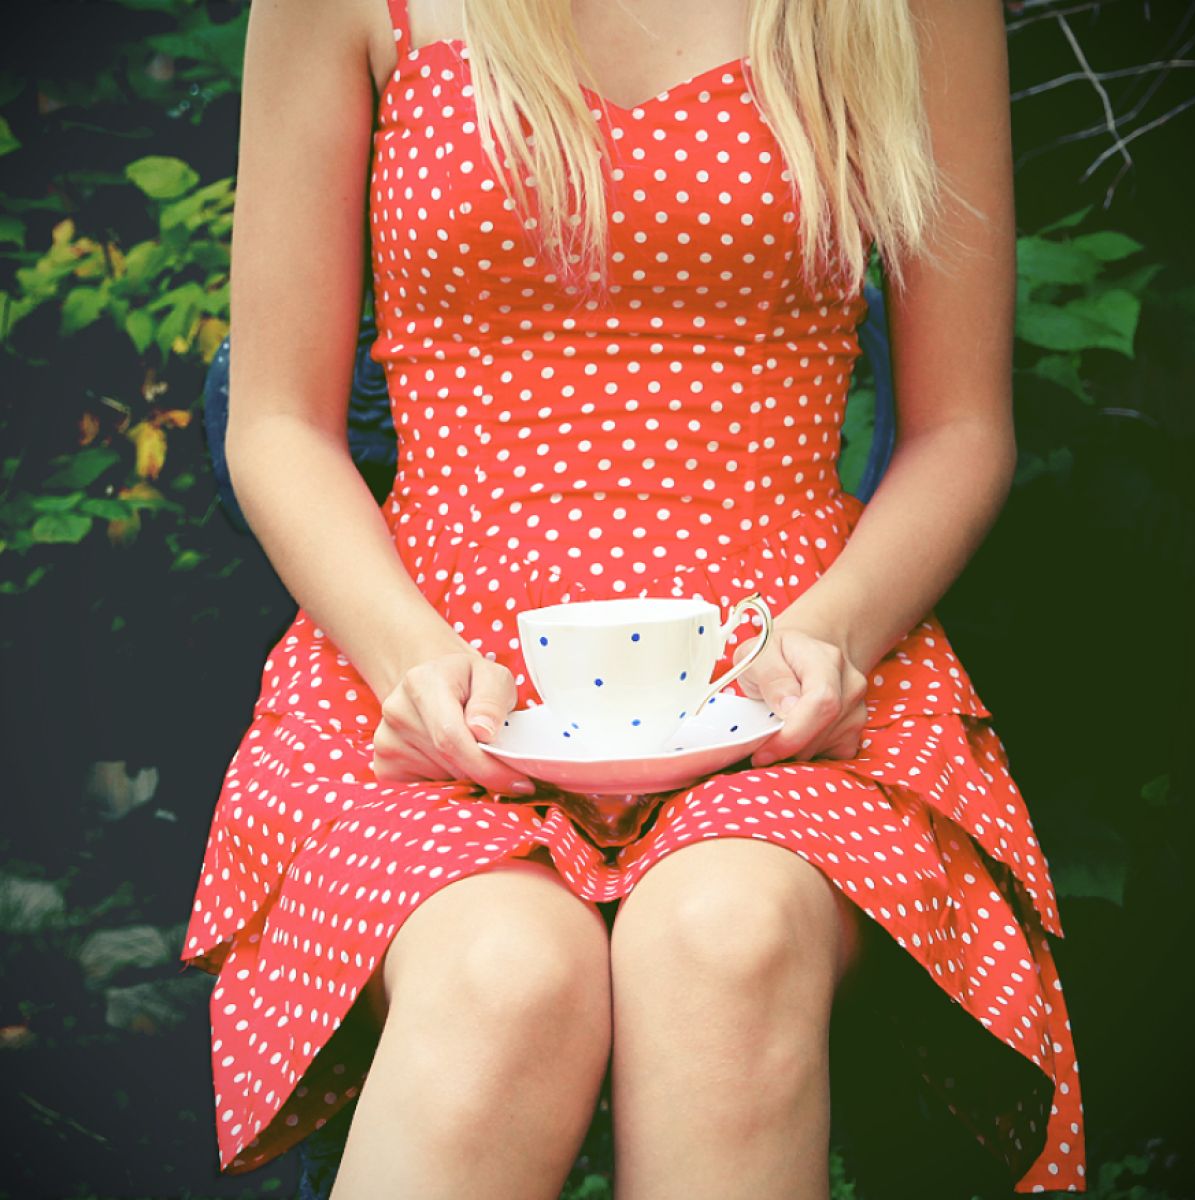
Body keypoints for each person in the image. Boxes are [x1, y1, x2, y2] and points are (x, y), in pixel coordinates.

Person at [180, 0, 1087, 1196]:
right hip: (426, 689)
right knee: (501, 976)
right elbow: (276, 424)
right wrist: (412, 661)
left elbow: (961, 429)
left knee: (727, 940)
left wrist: (831, 635)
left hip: (791, 691)